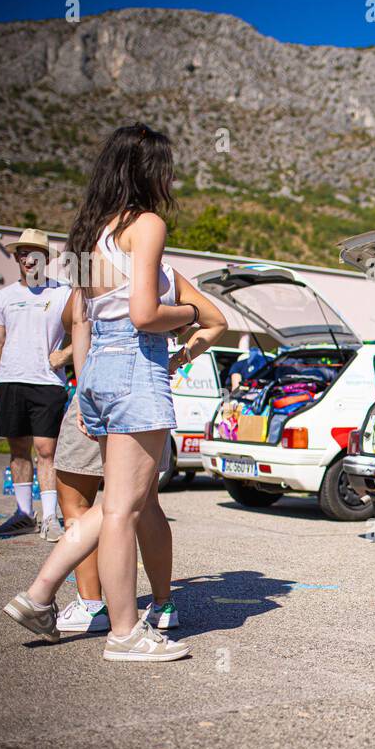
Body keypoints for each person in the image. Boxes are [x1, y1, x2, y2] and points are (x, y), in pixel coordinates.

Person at [1, 123, 203, 662]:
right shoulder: (148, 224)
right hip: (138, 364)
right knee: (121, 510)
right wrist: (187, 315)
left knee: (114, 503)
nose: (171, 176)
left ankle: (41, 594)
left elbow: (86, 319)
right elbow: (144, 314)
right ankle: (124, 634)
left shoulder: (90, 232)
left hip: (98, 371)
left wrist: (85, 385)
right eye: (165, 165)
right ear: (147, 170)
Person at [53, 270, 226, 634]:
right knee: (143, 503)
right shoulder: (165, 274)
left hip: (102, 383)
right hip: (146, 388)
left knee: (78, 502)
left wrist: (84, 394)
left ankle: (90, 605)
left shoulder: (97, 264)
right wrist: (179, 356)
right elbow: (217, 322)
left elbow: (78, 322)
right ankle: (161, 604)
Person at [0, 228, 73, 540]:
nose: (28, 258)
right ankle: (23, 514)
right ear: (17, 258)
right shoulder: (4, 296)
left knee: (45, 450)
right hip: (11, 380)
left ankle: (50, 518)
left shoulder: (62, 293)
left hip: (47, 383)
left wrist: (66, 354)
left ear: (45, 258)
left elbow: (88, 329)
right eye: (22, 252)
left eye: (35, 252)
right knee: (18, 449)